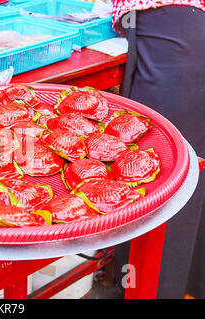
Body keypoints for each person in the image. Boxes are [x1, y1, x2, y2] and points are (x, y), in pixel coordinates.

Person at [111, 0, 205, 299]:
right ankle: (186, 285)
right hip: (178, 26)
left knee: (166, 168)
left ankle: (158, 291)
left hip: (174, 27)